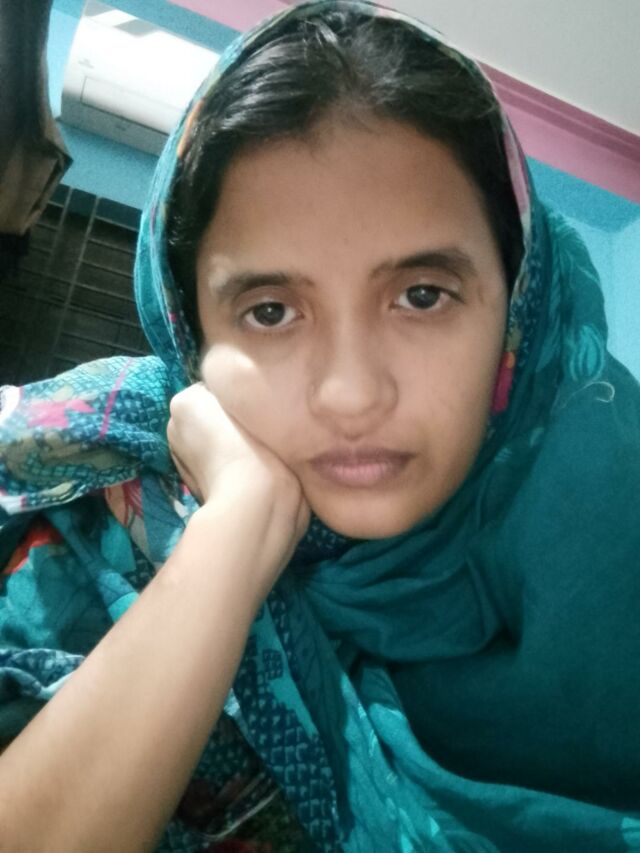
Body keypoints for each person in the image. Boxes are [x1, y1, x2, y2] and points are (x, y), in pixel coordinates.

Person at [0, 0, 639, 850]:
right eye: (270, 311)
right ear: (192, 335)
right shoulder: (76, 529)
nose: (350, 393)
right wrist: (237, 529)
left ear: (515, 317)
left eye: (422, 296)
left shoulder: (613, 546)